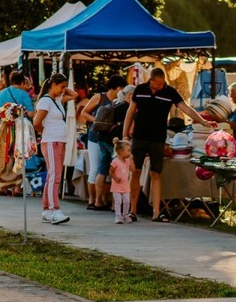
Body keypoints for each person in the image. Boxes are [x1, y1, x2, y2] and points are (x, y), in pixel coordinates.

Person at [123, 67, 218, 223]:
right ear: (151, 80)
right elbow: (130, 112)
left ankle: (156, 212)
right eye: (159, 84)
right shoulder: (140, 90)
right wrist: (125, 134)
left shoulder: (169, 92)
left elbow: (185, 108)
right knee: (136, 172)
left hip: (158, 138)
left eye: (163, 83)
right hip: (139, 137)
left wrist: (202, 120)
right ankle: (132, 210)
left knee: (156, 173)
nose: (162, 86)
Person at [79, 75, 129, 211]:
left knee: (105, 170)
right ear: (117, 87)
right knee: (95, 168)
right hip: (96, 136)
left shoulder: (120, 101)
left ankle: (101, 200)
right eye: (122, 87)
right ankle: (93, 200)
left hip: (106, 138)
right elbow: (84, 112)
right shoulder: (99, 97)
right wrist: (98, 121)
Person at [34, 73, 78, 224]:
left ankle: (46, 209)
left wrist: (63, 90)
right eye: (61, 87)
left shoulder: (57, 100)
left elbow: (74, 95)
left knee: (53, 176)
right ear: (53, 85)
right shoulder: (46, 102)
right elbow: (36, 122)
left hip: (59, 141)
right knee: (55, 176)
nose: (63, 90)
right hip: (52, 141)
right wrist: (44, 132)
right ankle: (55, 209)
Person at [109, 139, 134, 225]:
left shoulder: (127, 161)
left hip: (125, 186)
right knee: (118, 201)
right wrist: (115, 178)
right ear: (120, 151)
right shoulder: (115, 161)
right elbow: (110, 172)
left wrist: (131, 160)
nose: (129, 152)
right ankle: (118, 215)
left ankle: (126, 214)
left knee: (127, 201)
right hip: (117, 186)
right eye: (128, 150)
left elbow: (133, 170)